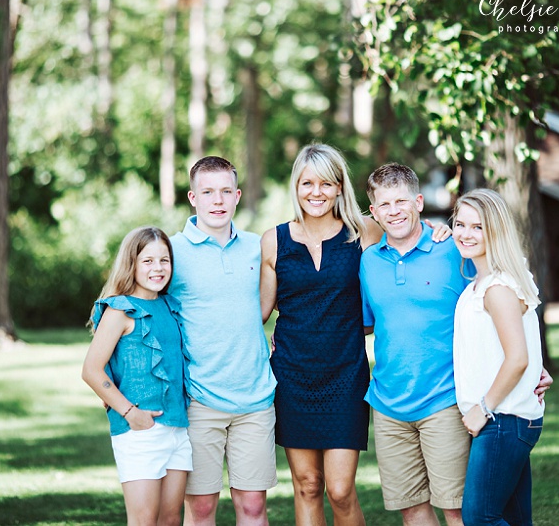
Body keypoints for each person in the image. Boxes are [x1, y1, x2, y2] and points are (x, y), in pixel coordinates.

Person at [259, 143, 375, 525]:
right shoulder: (274, 240)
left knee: (340, 490)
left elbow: (407, 243)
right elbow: (259, 311)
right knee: (307, 484)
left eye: (326, 183)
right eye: (307, 183)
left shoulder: (364, 233)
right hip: (292, 377)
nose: (316, 192)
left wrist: (438, 233)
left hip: (345, 375)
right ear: (295, 187)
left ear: (340, 187)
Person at [359, 163, 474, 526]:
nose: (394, 211)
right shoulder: (368, 262)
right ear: (374, 212)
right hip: (389, 404)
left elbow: (499, 297)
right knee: (412, 508)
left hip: (446, 399)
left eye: (401, 201)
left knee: (455, 508)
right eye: (384, 205)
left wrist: (532, 361)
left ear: (419, 202)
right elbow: (363, 325)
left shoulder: (454, 249)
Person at [168, 156, 278, 526]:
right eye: (208, 192)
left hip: (255, 398)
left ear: (237, 196)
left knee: (252, 508)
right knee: (200, 510)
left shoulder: (258, 246)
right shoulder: (171, 252)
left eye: (226, 191)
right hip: (199, 400)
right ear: (192, 197)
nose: (218, 200)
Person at [82, 226, 191, 526]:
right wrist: (130, 412)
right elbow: (91, 369)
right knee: (143, 520)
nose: (158, 268)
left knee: (170, 519)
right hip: (140, 432)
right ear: (132, 264)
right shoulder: (121, 309)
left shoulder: (169, 306)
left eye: (164, 260)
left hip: (178, 429)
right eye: (148, 261)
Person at [451, 189, 545, 526]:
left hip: (502, 419)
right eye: (460, 224)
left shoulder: (497, 288)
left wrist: (483, 409)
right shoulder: (483, 282)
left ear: (496, 230)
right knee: (514, 519)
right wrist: (540, 369)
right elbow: (513, 346)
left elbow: (517, 357)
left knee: (479, 518)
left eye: (478, 227)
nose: (466, 233)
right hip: (507, 419)